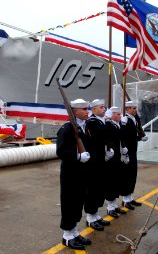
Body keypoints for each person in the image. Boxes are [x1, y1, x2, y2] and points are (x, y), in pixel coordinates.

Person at [56, 99, 92, 250]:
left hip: (81, 173)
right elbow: (60, 152)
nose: (87, 111)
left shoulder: (83, 126)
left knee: (78, 203)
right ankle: (67, 236)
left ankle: (74, 232)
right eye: (83, 109)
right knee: (69, 203)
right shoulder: (66, 128)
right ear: (75, 111)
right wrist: (78, 157)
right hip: (70, 174)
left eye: (87, 108)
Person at [84, 99, 110, 230]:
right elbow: (99, 138)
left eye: (104, 107)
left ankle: (95, 214)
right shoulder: (92, 123)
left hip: (100, 159)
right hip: (92, 161)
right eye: (101, 107)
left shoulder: (101, 121)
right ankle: (90, 217)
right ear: (93, 109)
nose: (104, 109)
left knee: (99, 187)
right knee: (92, 188)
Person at [120, 101, 148, 210]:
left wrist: (140, 137)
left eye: (135, 108)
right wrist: (123, 151)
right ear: (127, 109)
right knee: (127, 175)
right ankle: (125, 199)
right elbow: (123, 136)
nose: (135, 110)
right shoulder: (125, 120)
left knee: (133, 174)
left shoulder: (134, 119)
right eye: (133, 108)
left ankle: (130, 197)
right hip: (127, 151)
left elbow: (133, 135)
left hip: (133, 150)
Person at [105, 106, 127, 218]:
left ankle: (114, 205)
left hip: (117, 156)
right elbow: (107, 139)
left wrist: (123, 148)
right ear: (112, 115)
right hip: (111, 158)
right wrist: (108, 150)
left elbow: (122, 138)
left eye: (120, 114)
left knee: (116, 181)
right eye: (118, 114)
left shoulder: (118, 125)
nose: (120, 116)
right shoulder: (108, 125)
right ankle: (110, 206)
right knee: (111, 181)